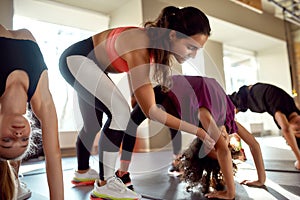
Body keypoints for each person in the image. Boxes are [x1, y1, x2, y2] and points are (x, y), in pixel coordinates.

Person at [59, 5, 215, 200]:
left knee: (93, 124)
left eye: (197, 50)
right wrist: (198, 131)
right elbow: (151, 110)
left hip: (87, 63)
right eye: (191, 47)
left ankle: (82, 172)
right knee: (120, 112)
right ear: (174, 35)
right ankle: (106, 183)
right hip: (78, 59)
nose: (193, 54)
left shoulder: (153, 46)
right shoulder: (140, 44)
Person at [125, 75, 266, 199]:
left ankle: (123, 169)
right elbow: (254, 145)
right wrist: (261, 179)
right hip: (176, 94)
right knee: (144, 117)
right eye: (220, 148)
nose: (219, 144)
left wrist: (230, 192)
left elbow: (222, 150)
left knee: (134, 121)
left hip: (166, 93)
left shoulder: (204, 116)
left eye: (211, 146)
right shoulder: (230, 122)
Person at [0, 25, 64, 200]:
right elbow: (54, 154)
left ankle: (13, 182)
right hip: (27, 38)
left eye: (7, 140)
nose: (18, 134)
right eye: (24, 139)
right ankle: (15, 183)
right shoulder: (41, 100)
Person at [229, 82, 300, 170]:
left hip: (245, 98)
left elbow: (286, 129)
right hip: (245, 95)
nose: (298, 126)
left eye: (297, 130)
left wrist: (299, 159)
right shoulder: (293, 108)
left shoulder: (280, 112)